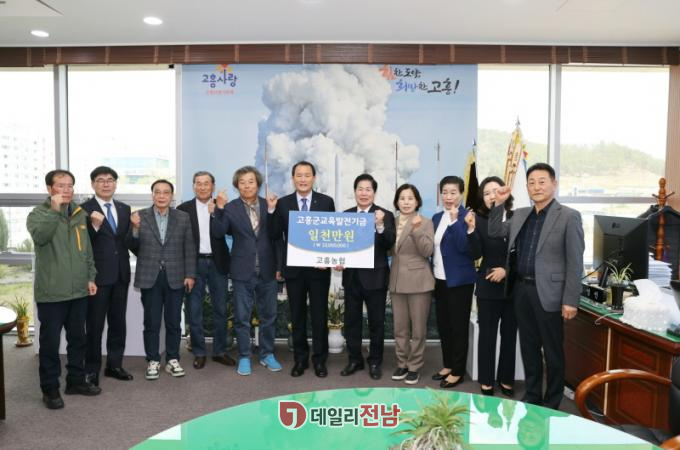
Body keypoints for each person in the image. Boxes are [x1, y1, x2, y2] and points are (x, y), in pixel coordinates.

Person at [489, 162, 584, 410]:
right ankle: (532, 396)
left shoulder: (569, 216)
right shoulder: (521, 214)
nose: (536, 187)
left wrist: (570, 300)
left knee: (552, 352)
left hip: (550, 294)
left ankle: (552, 402)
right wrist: (498, 204)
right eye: (531, 182)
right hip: (521, 291)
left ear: (554, 184)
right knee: (528, 348)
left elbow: (575, 262)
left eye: (542, 181)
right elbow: (495, 231)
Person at [27, 169, 100, 410]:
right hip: (52, 293)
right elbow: (41, 237)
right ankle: (50, 389)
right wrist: (54, 210)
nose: (66, 190)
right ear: (50, 189)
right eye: (61, 186)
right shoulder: (38, 214)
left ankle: (75, 381)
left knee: (78, 340)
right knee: (49, 344)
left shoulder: (80, 214)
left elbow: (86, 251)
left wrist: (90, 277)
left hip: (78, 291)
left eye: (70, 186)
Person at [267, 161, 335, 378]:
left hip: (319, 269)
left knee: (319, 316)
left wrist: (330, 258)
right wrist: (271, 210)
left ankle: (320, 360)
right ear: (293, 178)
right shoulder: (283, 203)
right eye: (299, 175)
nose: (303, 179)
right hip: (294, 269)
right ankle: (300, 359)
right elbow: (275, 235)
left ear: (314, 178)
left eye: (307, 175)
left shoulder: (326, 202)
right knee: (297, 316)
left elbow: (331, 233)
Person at [213, 166, 282, 376]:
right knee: (242, 317)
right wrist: (219, 208)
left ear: (258, 184)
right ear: (237, 186)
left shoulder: (269, 204)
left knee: (269, 316)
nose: (246, 186)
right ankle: (244, 356)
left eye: (250, 181)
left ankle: (267, 354)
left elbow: (277, 237)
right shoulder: (230, 207)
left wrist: (280, 266)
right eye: (242, 182)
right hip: (242, 270)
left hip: (268, 269)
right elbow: (218, 232)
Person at [129, 179, 196, 380]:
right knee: (152, 322)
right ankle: (153, 360)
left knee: (174, 322)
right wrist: (134, 229)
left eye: (166, 192)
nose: (161, 196)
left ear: (171, 196)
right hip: (150, 277)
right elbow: (132, 246)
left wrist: (190, 274)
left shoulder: (182, 217)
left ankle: (173, 359)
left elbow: (189, 247)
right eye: (157, 192)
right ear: (152, 195)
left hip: (176, 276)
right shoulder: (139, 216)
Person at [80, 166, 134, 386]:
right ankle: (91, 370)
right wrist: (93, 226)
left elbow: (125, 241)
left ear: (115, 183)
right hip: (97, 277)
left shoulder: (124, 208)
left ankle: (114, 365)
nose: (105, 184)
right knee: (94, 326)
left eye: (110, 180)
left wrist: (136, 230)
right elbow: (81, 246)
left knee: (118, 323)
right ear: (93, 184)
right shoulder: (83, 209)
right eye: (100, 180)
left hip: (120, 274)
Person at [339, 174, 396, 380]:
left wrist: (379, 225)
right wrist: (338, 259)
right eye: (360, 189)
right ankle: (354, 360)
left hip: (376, 278)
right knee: (352, 322)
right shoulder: (346, 215)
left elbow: (389, 243)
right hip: (352, 278)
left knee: (376, 323)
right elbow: (340, 244)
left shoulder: (385, 215)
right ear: (355, 192)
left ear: (374, 192)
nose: (364, 193)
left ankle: (375, 362)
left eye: (368, 189)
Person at [466, 176, 517, 396]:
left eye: (495, 191)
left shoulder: (517, 217)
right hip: (488, 284)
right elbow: (475, 253)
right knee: (487, 335)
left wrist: (506, 270)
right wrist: (470, 230)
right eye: (486, 193)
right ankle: (486, 379)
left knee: (509, 334)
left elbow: (523, 253)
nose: (491, 196)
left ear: (505, 193)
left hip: (513, 285)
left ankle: (506, 378)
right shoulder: (477, 219)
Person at [177, 171, 233, 370]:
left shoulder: (222, 206)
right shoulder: (183, 209)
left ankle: (219, 351)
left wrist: (218, 211)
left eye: (206, 183)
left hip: (218, 263)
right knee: (194, 310)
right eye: (198, 183)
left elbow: (228, 230)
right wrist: (185, 270)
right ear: (193, 186)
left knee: (221, 309)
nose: (202, 187)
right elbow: (180, 240)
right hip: (194, 264)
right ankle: (199, 352)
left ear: (213, 186)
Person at [431, 176, 477, 389]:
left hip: (460, 281)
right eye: (445, 192)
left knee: (458, 327)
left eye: (453, 192)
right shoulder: (436, 217)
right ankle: (448, 364)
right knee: (444, 325)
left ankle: (458, 371)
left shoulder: (468, 217)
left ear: (461, 194)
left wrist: (454, 221)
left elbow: (464, 247)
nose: (448, 197)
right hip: (439, 279)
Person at [388, 183, 434, 385]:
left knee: (418, 329)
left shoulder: (425, 222)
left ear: (417, 202)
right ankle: (402, 363)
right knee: (399, 328)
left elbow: (427, 251)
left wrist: (415, 230)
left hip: (419, 281)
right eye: (402, 198)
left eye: (410, 198)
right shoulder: (392, 221)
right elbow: (388, 249)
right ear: (397, 202)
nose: (406, 202)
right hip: (397, 280)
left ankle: (414, 366)